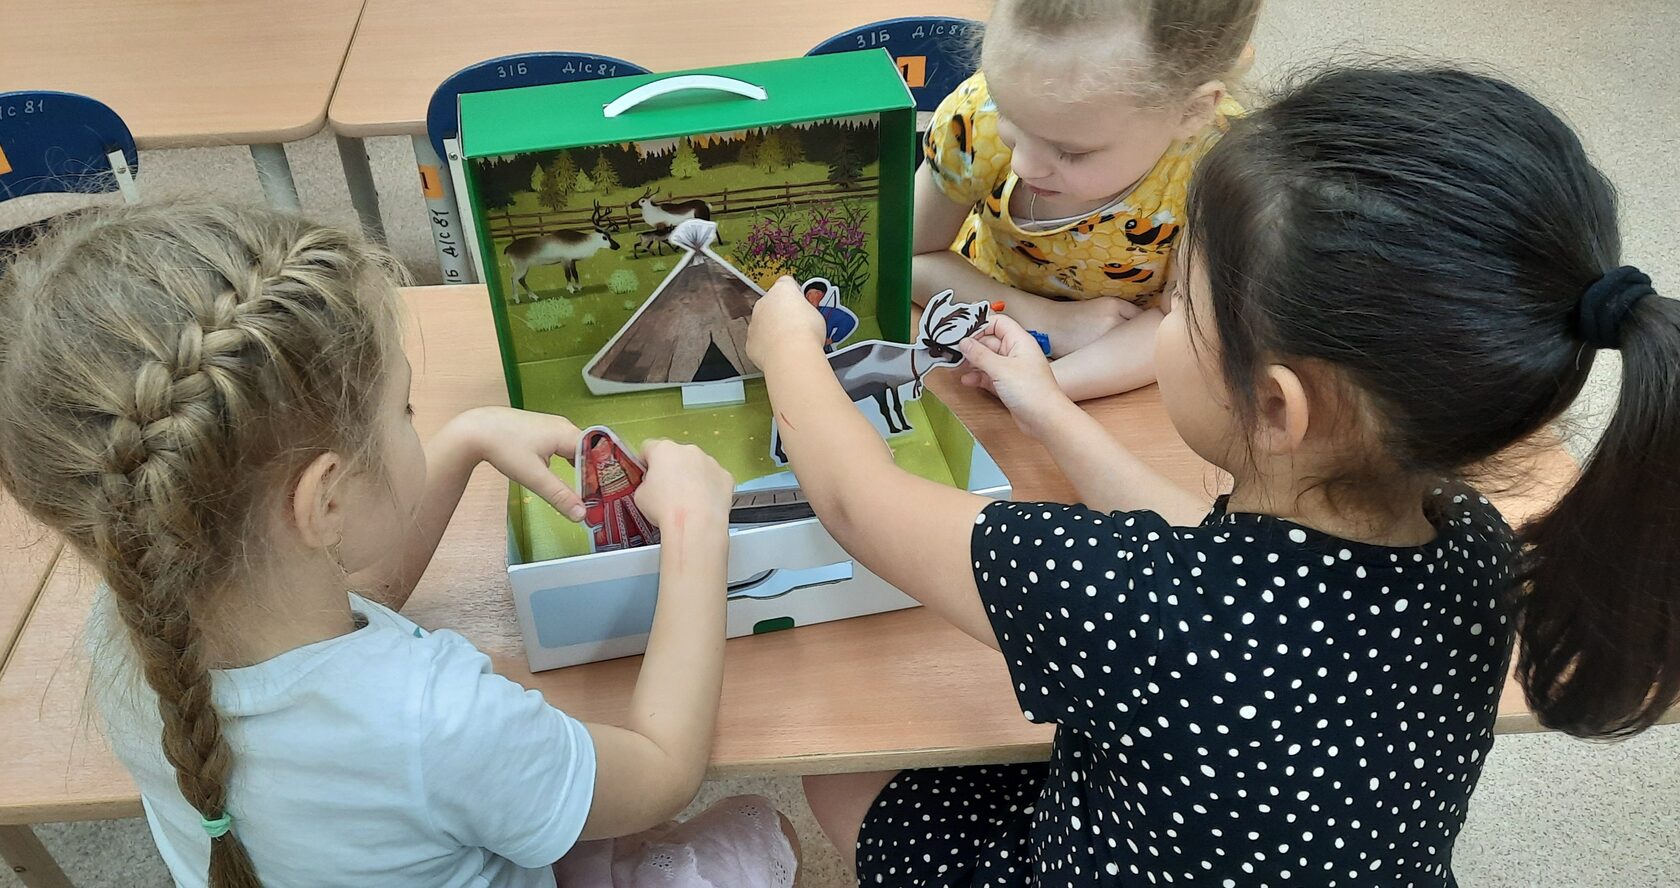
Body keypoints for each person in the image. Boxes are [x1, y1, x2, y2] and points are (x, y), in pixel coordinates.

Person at [752, 64, 1677, 886]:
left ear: (1275, 406)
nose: (1159, 323)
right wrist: (1049, 408)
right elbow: (1208, 555)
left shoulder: (1130, 599)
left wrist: (789, 351)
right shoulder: (1475, 543)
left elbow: (858, 502)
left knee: (839, 767)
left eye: (1180, 306)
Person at [0, 201, 799, 888]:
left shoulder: (136, 617)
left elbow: (350, 600)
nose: (416, 421)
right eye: (407, 410)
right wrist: (695, 529)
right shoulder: (440, 723)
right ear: (327, 501)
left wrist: (465, 438)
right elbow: (661, 768)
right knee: (765, 830)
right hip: (489, 801)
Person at [916, 0, 1259, 399]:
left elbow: (1188, 326)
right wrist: (1046, 320)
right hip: (972, 316)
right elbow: (906, 256)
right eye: (1008, 115)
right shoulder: (977, 115)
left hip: (1118, 376)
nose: (1023, 164)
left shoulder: (1217, 171)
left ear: (1192, 111)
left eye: (1071, 152)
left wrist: (1044, 386)